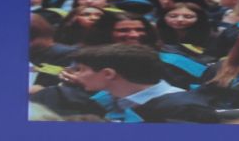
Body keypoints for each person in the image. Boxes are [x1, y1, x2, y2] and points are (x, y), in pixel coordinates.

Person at [63, 44, 217, 123]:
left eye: (80, 69)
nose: (75, 75)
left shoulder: (183, 109)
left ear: (108, 74)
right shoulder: (114, 100)